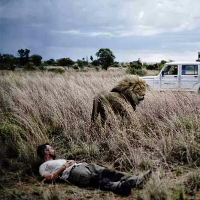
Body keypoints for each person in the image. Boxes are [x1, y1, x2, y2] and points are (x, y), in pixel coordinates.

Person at [37, 143, 152, 196]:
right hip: (72, 173)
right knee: (95, 179)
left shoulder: (58, 159)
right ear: (46, 151)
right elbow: (50, 177)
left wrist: (72, 162)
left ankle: (136, 180)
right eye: (51, 148)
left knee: (108, 171)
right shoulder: (43, 166)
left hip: (83, 165)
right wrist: (63, 167)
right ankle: (120, 187)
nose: (53, 149)